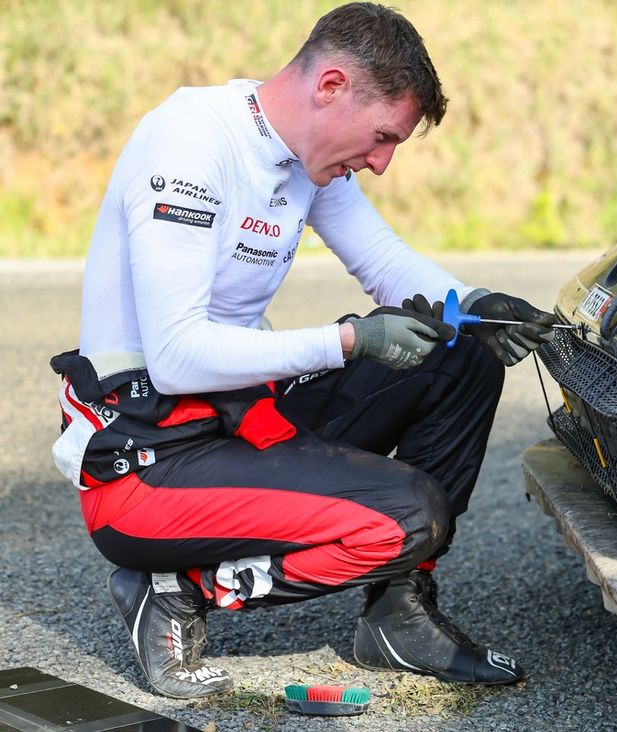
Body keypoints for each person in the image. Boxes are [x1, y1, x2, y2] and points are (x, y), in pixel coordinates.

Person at [49, 2, 556, 699]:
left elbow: (384, 261)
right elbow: (173, 355)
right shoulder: (191, 141)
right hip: (148, 466)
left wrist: (476, 305)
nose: (380, 163)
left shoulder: (308, 159)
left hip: (235, 420)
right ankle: (173, 589)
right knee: (411, 515)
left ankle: (397, 615)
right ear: (330, 87)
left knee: (459, 350)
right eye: (382, 137)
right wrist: (348, 341)